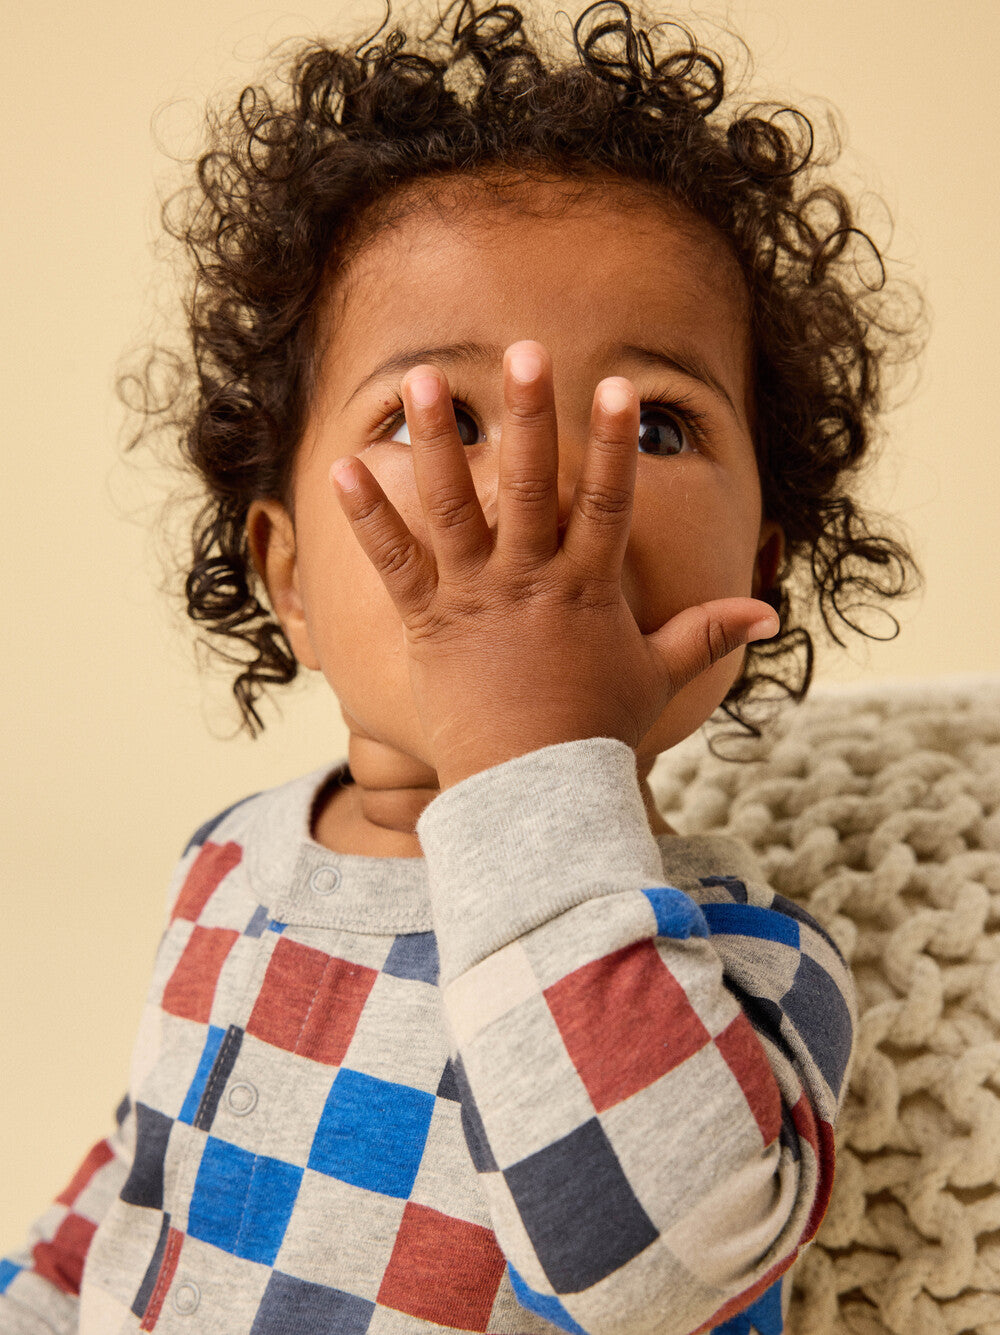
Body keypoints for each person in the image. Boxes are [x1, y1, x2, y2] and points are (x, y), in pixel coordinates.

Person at [0, 1, 921, 1331]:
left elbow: (648, 1275)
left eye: (654, 425)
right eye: (440, 416)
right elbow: (139, 1191)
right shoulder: (231, 865)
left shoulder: (753, 966)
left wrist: (531, 765)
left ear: (759, 577)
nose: (539, 481)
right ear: (292, 577)